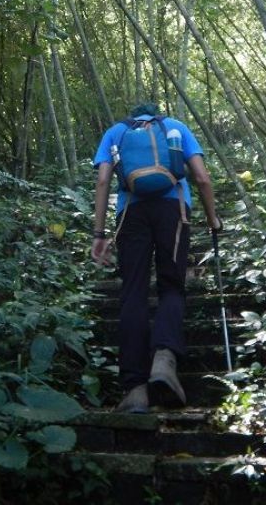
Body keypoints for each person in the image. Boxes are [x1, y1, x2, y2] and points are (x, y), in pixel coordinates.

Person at [91, 102, 221, 412]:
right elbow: (201, 178)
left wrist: (98, 234)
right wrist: (213, 219)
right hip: (173, 209)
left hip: (130, 212)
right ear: (155, 113)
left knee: (132, 291)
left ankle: (135, 389)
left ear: (133, 114)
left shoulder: (116, 132)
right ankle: (164, 359)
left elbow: (102, 181)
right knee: (171, 284)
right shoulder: (176, 127)